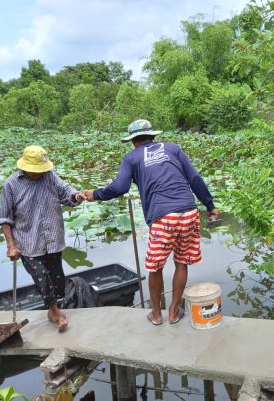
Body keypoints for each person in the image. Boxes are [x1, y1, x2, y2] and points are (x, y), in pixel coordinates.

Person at [82, 119, 218, 326]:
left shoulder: (131, 157)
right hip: (188, 211)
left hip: (163, 217)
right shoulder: (173, 149)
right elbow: (195, 178)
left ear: (133, 140)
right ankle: (173, 312)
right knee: (181, 262)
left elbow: (119, 188)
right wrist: (209, 205)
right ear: (153, 135)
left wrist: (95, 194)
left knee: (155, 267)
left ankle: (156, 314)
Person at [0, 145, 86, 332]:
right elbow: (5, 218)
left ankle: (53, 309)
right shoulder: (11, 185)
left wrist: (78, 195)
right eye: (34, 171)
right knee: (42, 279)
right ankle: (55, 311)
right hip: (28, 241)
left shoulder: (50, 176)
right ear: (25, 167)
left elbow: (66, 192)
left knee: (58, 280)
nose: (38, 174)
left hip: (52, 238)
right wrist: (10, 245)